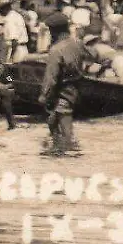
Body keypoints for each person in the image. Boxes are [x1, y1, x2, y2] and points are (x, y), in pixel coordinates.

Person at [41, 14, 88, 150]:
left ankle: (68, 152)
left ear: (53, 31)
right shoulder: (77, 44)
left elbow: (51, 77)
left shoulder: (56, 50)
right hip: (75, 90)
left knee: (66, 132)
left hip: (61, 93)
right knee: (53, 124)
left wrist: (44, 96)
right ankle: (59, 151)